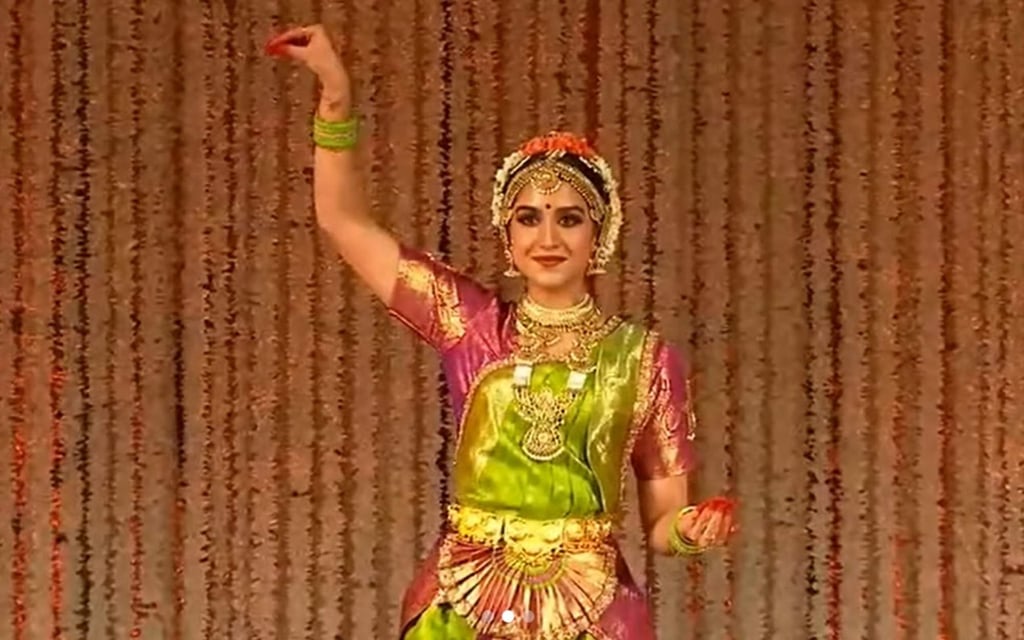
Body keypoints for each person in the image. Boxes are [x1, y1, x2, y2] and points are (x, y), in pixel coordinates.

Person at [267, 24, 737, 640]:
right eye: (529, 219)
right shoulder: (471, 324)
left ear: (600, 236)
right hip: (462, 606)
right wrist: (336, 97)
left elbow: (663, 519)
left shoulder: (643, 359)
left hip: (592, 612)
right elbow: (343, 221)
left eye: (569, 219)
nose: (548, 239)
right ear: (508, 236)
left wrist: (691, 531)